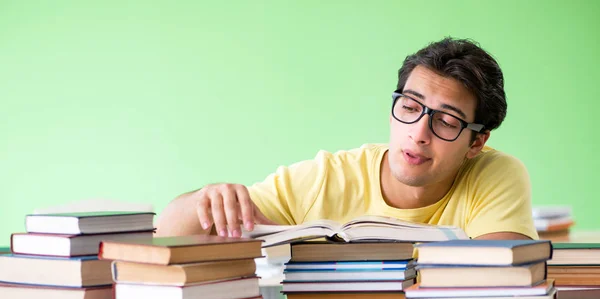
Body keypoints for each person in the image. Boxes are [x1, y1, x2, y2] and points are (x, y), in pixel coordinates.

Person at [157, 37, 537, 241]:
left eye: (447, 121)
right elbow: (165, 234)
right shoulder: (325, 178)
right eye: (409, 107)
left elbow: (502, 281)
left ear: (476, 143)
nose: (419, 134)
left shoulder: (494, 174)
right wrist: (205, 200)